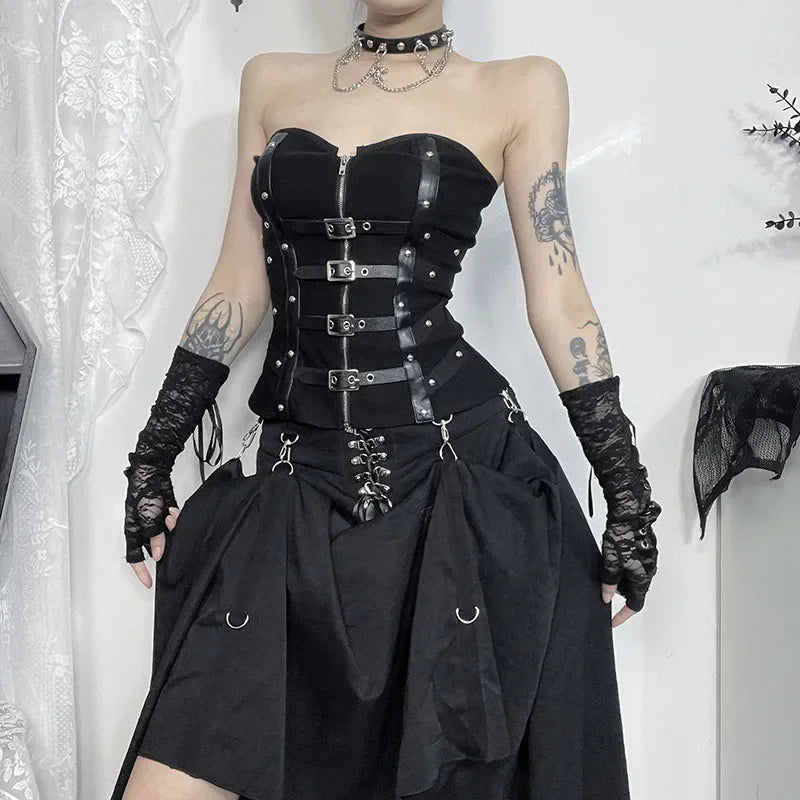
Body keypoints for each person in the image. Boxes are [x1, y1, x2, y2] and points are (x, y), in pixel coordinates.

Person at [114, 1, 661, 798]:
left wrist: (627, 491)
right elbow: (239, 281)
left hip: (453, 482)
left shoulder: (521, 87)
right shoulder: (270, 81)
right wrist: (154, 452)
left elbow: (560, 299)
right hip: (295, 486)